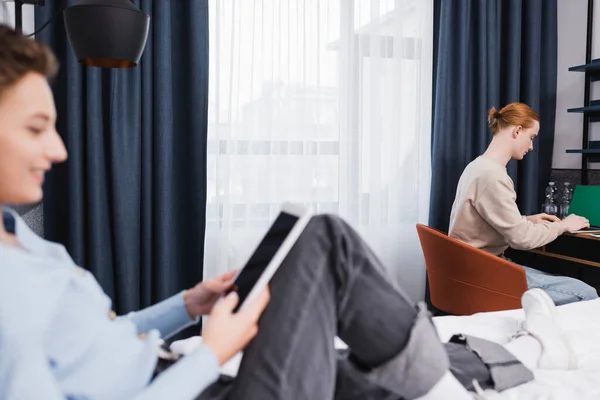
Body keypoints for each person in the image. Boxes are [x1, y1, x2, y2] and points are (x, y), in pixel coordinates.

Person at [0, 25, 580, 400]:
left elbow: (94, 344)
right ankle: (492, 366)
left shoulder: (22, 241)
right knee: (325, 239)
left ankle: (524, 351)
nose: (59, 150)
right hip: (182, 383)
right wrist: (210, 354)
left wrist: (184, 307)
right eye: (35, 128)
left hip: (173, 373)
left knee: (356, 374)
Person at [448, 102, 598, 306]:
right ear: (517, 131)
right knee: (586, 294)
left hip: (470, 270)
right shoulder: (493, 176)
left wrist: (526, 220)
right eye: (532, 137)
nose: (531, 146)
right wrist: (563, 225)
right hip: (485, 275)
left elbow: (484, 220)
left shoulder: (477, 167)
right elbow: (521, 239)